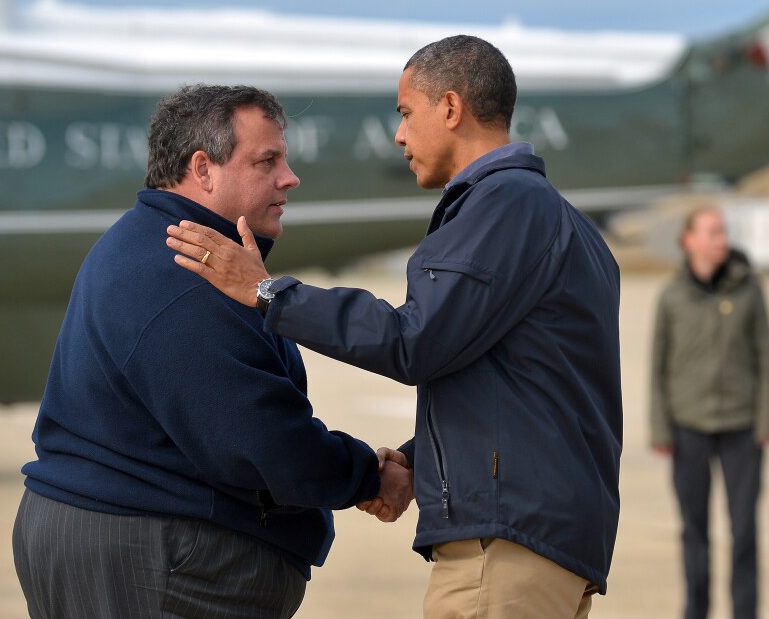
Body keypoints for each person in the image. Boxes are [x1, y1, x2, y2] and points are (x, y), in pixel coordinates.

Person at [165, 35, 623, 618]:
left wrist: (266, 291)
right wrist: (417, 461)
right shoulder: (559, 219)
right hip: (539, 540)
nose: (400, 135)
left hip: (505, 549)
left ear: (451, 109)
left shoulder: (503, 204)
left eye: (406, 113)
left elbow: (415, 342)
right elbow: (516, 386)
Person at [12, 84, 413, 619]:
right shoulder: (182, 273)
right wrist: (369, 474)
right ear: (202, 169)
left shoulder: (159, 246)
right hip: (148, 555)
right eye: (266, 161)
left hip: (128, 539)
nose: (289, 178)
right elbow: (260, 438)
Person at [650, 206, 769, 619]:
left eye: (723, 232)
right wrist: (661, 429)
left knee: (744, 533)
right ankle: (696, 611)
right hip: (689, 429)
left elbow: (765, 358)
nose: (722, 239)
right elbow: (659, 366)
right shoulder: (671, 296)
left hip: (743, 429)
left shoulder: (749, 289)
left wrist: (766, 421)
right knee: (695, 533)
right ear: (689, 240)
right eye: (712, 232)